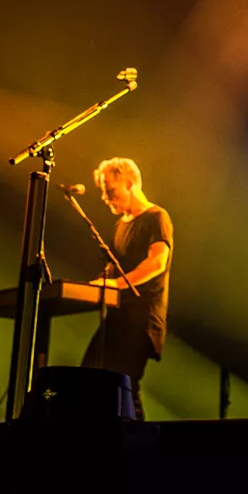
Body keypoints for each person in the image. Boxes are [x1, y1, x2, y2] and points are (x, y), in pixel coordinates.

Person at [80, 157, 172, 420]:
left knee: (125, 383)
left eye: (110, 190)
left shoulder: (157, 217)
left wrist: (116, 284)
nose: (105, 197)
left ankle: (138, 439)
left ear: (130, 184)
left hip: (142, 318)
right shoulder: (120, 225)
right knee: (91, 375)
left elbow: (157, 262)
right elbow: (112, 271)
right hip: (119, 317)